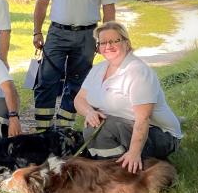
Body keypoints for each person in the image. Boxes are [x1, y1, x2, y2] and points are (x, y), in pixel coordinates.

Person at [33, 0, 116, 131]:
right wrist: (37, 32)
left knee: (78, 82)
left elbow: (109, 9)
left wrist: (104, 39)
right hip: (57, 34)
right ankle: (42, 130)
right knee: (47, 80)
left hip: (87, 35)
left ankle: (63, 129)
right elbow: (42, 3)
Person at [74, 22, 182, 173]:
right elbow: (79, 99)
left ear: (127, 43)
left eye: (114, 41)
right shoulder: (98, 69)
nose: (108, 46)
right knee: (93, 126)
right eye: (103, 42)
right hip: (123, 127)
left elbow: (143, 118)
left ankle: (126, 169)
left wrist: (134, 152)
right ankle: (110, 167)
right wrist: (89, 112)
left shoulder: (138, 72)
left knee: (104, 127)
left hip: (159, 134)